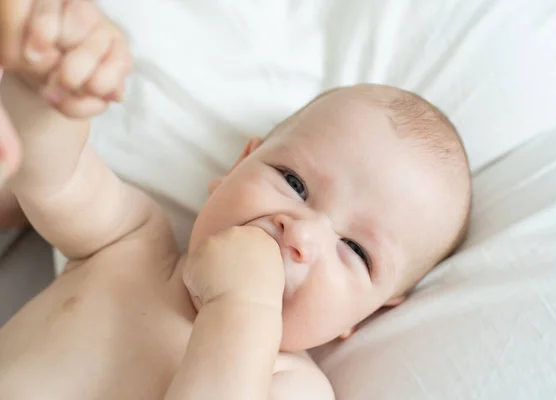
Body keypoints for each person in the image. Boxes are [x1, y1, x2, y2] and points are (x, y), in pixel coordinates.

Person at [0, 1, 472, 399]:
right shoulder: (130, 240)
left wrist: (241, 305)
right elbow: (50, 178)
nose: (301, 233)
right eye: (294, 182)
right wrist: (48, 86)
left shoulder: (292, 386)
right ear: (235, 168)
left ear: (369, 314)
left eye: (356, 251)